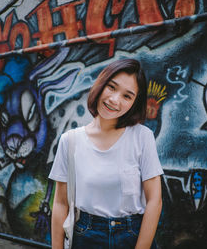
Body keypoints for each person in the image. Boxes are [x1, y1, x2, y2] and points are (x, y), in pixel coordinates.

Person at [49, 58, 163, 249]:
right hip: (86, 235)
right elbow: (61, 203)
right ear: (101, 85)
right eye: (111, 87)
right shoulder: (70, 141)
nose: (114, 100)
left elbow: (154, 201)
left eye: (127, 96)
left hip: (132, 234)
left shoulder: (142, 137)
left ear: (134, 103)